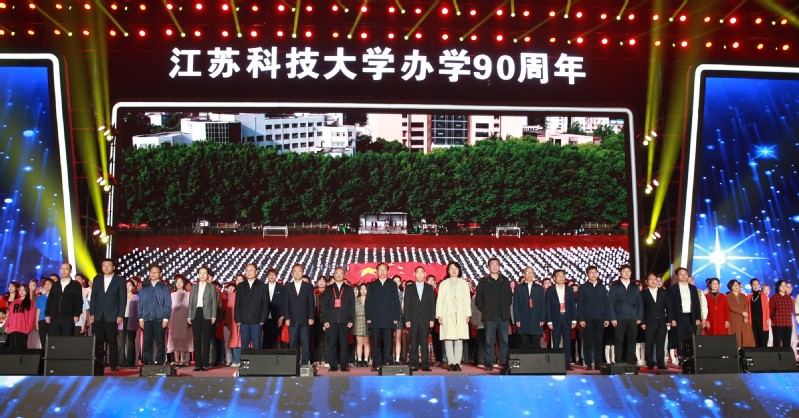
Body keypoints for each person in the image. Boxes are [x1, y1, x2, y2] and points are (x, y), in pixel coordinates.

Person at [475, 257, 513, 372]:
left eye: (497, 264)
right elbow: (478, 299)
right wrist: (485, 309)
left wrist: (505, 308)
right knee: (489, 341)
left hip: (503, 316)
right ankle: (489, 362)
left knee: (504, 340)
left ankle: (504, 362)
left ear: (500, 266)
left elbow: (509, 297)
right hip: (489, 316)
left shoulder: (505, 280)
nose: (495, 266)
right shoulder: (483, 281)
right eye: (492, 264)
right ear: (488, 267)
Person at [89, 258, 127, 372]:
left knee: (112, 340)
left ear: (113, 267)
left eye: (108, 265)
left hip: (112, 315)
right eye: (103, 265)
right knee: (98, 341)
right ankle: (98, 363)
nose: (106, 268)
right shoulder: (97, 279)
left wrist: (120, 315)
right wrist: (92, 313)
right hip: (98, 314)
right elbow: (93, 297)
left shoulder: (119, 280)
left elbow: (122, 299)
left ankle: (113, 364)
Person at [364, 263, 402, 371]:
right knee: (376, 344)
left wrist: (396, 317)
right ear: (376, 271)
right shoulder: (372, 285)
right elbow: (368, 302)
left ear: (388, 271)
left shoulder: (392, 284)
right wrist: (368, 317)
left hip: (389, 319)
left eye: (384, 269)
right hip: (375, 319)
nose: (382, 271)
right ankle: (376, 364)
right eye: (380, 269)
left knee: (388, 343)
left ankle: (387, 364)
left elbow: (396, 302)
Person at [436, 262, 471, 372]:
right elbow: (440, 301)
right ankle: (451, 363)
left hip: (460, 314)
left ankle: (457, 363)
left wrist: (468, 314)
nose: (454, 270)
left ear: (459, 270)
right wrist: (439, 315)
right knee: (448, 340)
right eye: (451, 268)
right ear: (448, 271)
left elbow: (467, 300)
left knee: (459, 340)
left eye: (456, 268)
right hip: (447, 314)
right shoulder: (444, 284)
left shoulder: (464, 284)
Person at [608, 264, 643, 366]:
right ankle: (618, 361)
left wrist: (639, 316)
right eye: (624, 271)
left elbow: (639, 303)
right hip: (619, 317)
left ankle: (630, 362)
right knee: (619, 341)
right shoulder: (615, 286)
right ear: (620, 273)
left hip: (633, 317)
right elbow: (611, 303)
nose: (626, 273)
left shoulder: (634, 286)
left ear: (631, 273)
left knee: (632, 340)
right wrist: (613, 318)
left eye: (628, 271)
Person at [321, 267, 355, 372]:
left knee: (344, 344)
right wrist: (325, 320)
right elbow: (324, 306)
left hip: (345, 321)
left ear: (344, 275)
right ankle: (333, 365)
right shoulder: (328, 289)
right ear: (334, 275)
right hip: (331, 321)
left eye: (341, 273)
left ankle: (344, 365)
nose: (339, 275)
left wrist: (352, 320)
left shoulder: (349, 289)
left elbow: (352, 306)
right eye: (337, 273)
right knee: (332, 344)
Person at [137, 264, 172, 365]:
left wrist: (166, 318)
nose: (153, 274)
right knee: (147, 341)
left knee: (160, 342)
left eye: (156, 272)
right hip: (147, 318)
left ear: (160, 274)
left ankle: (160, 360)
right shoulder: (144, 288)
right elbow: (140, 303)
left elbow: (167, 304)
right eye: (151, 272)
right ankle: (147, 360)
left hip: (160, 318)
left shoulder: (164, 288)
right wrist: (140, 318)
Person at [404, 266, 436, 372]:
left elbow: (432, 305)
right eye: (417, 272)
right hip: (413, 319)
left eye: (422, 272)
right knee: (413, 343)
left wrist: (432, 319)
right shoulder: (409, 288)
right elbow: (407, 305)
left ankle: (425, 365)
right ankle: (414, 364)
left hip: (425, 320)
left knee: (424, 342)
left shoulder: (429, 288)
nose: (420, 274)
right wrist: (407, 319)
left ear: (425, 274)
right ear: (414, 274)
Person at [577, 266, 609, 370]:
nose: (594, 274)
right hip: (587, 318)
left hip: (600, 317)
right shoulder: (583, 287)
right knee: (588, 341)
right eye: (591, 272)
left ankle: (598, 362)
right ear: (587, 274)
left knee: (598, 341)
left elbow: (606, 303)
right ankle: (588, 363)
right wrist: (581, 319)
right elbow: (580, 304)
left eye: (595, 272)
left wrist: (607, 318)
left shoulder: (602, 287)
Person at [667, 267, 702, 363]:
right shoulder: (672, 289)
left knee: (691, 338)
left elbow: (697, 304)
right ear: (677, 276)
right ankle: (681, 357)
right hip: (678, 317)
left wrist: (698, 317)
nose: (683, 276)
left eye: (685, 274)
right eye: (681, 274)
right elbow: (670, 305)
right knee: (679, 338)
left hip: (691, 317)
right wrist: (672, 319)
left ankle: (690, 357)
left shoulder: (693, 288)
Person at [545, 269, 577, 370]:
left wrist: (574, 319)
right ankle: (555, 364)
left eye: (563, 275)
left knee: (567, 342)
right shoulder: (550, 290)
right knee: (556, 342)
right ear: (554, 278)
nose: (561, 277)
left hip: (567, 318)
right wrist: (549, 321)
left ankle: (567, 364)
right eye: (558, 275)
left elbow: (572, 305)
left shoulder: (569, 289)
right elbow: (547, 306)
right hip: (555, 318)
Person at [284, 263, 316, 366]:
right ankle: (294, 363)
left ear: (302, 273)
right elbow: (286, 303)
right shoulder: (287, 286)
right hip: (292, 318)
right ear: (292, 273)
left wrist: (311, 317)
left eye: (299, 271)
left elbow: (311, 303)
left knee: (305, 341)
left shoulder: (308, 286)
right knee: (293, 342)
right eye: (295, 271)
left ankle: (305, 362)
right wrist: (287, 317)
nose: (297, 273)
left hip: (305, 318)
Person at [188, 267, 218, 371]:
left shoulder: (211, 287)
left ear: (208, 275)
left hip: (207, 314)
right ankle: (197, 364)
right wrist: (189, 315)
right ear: (198, 275)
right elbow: (191, 302)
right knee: (196, 339)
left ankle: (205, 364)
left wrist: (213, 316)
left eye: (204, 273)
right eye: (200, 273)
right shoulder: (194, 287)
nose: (202, 275)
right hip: (196, 313)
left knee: (206, 339)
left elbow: (214, 303)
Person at [234, 263, 268, 350]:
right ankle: (245, 360)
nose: (249, 272)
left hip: (257, 320)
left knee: (257, 345)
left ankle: (257, 360)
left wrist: (263, 319)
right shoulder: (240, 286)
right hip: (243, 321)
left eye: (251, 270)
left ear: (256, 272)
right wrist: (237, 319)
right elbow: (237, 303)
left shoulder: (262, 286)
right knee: (244, 345)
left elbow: (265, 304)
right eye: (247, 270)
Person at [45, 263, 83, 337]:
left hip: (68, 318)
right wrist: (47, 314)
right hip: (55, 317)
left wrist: (77, 314)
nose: (63, 271)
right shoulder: (55, 284)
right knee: (54, 339)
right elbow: (50, 300)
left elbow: (79, 301)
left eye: (66, 269)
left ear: (70, 271)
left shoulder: (76, 284)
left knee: (67, 339)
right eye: (62, 269)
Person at [641, 273, 670, 370]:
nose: (653, 281)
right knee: (649, 343)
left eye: (655, 279)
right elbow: (641, 309)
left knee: (661, 343)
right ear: (646, 282)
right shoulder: (643, 293)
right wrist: (642, 322)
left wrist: (669, 320)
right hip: (649, 322)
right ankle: (650, 363)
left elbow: (669, 307)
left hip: (662, 322)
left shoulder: (663, 292)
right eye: (651, 279)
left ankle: (661, 363)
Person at [513, 267, 546, 350]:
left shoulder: (539, 288)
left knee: (536, 345)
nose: (530, 274)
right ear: (524, 274)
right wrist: (517, 319)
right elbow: (516, 305)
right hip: (523, 319)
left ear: (534, 274)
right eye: (527, 272)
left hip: (536, 319)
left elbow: (543, 304)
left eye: (531, 273)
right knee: (524, 345)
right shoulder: (518, 288)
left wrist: (542, 318)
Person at [167, 275, 192, 366]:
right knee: (175, 338)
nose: (179, 284)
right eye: (177, 282)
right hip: (174, 319)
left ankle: (182, 359)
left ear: (184, 283)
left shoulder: (188, 294)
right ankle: (176, 359)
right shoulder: (172, 295)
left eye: (181, 282)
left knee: (183, 338)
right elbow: (169, 308)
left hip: (184, 318)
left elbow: (190, 307)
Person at [726, 279, 755, 348]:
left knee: (746, 334)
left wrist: (745, 316)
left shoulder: (743, 296)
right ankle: (737, 348)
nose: (736, 286)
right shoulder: (728, 296)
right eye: (734, 285)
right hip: (734, 317)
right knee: (736, 333)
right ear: (730, 287)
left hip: (744, 318)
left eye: (737, 285)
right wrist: (742, 312)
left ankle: (746, 349)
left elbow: (746, 306)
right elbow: (731, 307)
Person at [262, 269, 285, 349]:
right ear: (267, 276)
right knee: (265, 338)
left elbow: (284, 303)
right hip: (265, 317)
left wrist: (282, 316)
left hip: (277, 317)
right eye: (270, 274)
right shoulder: (263, 287)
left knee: (275, 339)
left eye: (273, 274)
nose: (271, 276)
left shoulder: (281, 288)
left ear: (276, 276)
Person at [118, 279, 138, 368]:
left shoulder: (136, 297)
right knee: (121, 342)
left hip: (132, 320)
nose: (127, 287)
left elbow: (139, 310)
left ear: (133, 287)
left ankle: (130, 362)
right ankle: (121, 361)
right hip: (121, 319)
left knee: (131, 342)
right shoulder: (120, 296)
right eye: (126, 285)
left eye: (129, 285)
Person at [769, 280, 793, 348]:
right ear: (778, 287)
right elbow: (770, 311)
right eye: (782, 286)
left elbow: (791, 310)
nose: (784, 287)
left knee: (787, 345)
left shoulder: (789, 298)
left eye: (785, 286)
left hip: (788, 324)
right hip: (777, 324)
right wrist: (774, 320)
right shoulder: (774, 297)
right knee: (777, 344)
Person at [223, 282, 241, 367]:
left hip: (242, 321)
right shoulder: (231, 296)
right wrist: (228, 322)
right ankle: (234, 360)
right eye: (229, 288)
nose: (230, 289)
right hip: (232, 323)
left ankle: (240, 360)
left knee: (241, 341)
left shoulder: (243, 294)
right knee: (233, 341)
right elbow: (228, 310)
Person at [747, 278, 770, 347]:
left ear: (759, 285)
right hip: (753, 321)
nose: (755, 286)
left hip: (762, 320)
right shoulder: (748, 296)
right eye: (753, 284)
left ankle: (763, 353)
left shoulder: (764, 295)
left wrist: (767, 319)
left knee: (763, 340)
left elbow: (767, 308)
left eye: (757, 284)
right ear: (751, 286)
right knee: (755, 340)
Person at [353, 283, 370, 367]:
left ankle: (366, 360)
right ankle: (359, 360)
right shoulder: (356, 300)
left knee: (366, 342)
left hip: (368, 321)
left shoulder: (370, 299)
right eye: (361, 289)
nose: (363, 290)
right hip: (358, 321)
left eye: (365, 289)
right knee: (359, 342)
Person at [34, 278, 53, 349]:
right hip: (42, 321)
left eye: (49, 284)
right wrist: (37, 323)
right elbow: (38, 311)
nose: (47, 286)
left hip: (53, 321)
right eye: (46, 284)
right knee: (43, 341)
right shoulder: (40, 298)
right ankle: (44, 354)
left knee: (52, 341)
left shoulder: (56, 297)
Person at [392, 275, 405, 364]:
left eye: (398, 281)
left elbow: (403, 308)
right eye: (394, 281)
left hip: (399, 317)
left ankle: (397, 358)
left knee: (398, 338)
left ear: (400, 282)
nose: (396, 283)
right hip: (389, 318)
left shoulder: (402, 293)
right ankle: (390, 357)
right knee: (390, 339)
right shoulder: (389, 293)